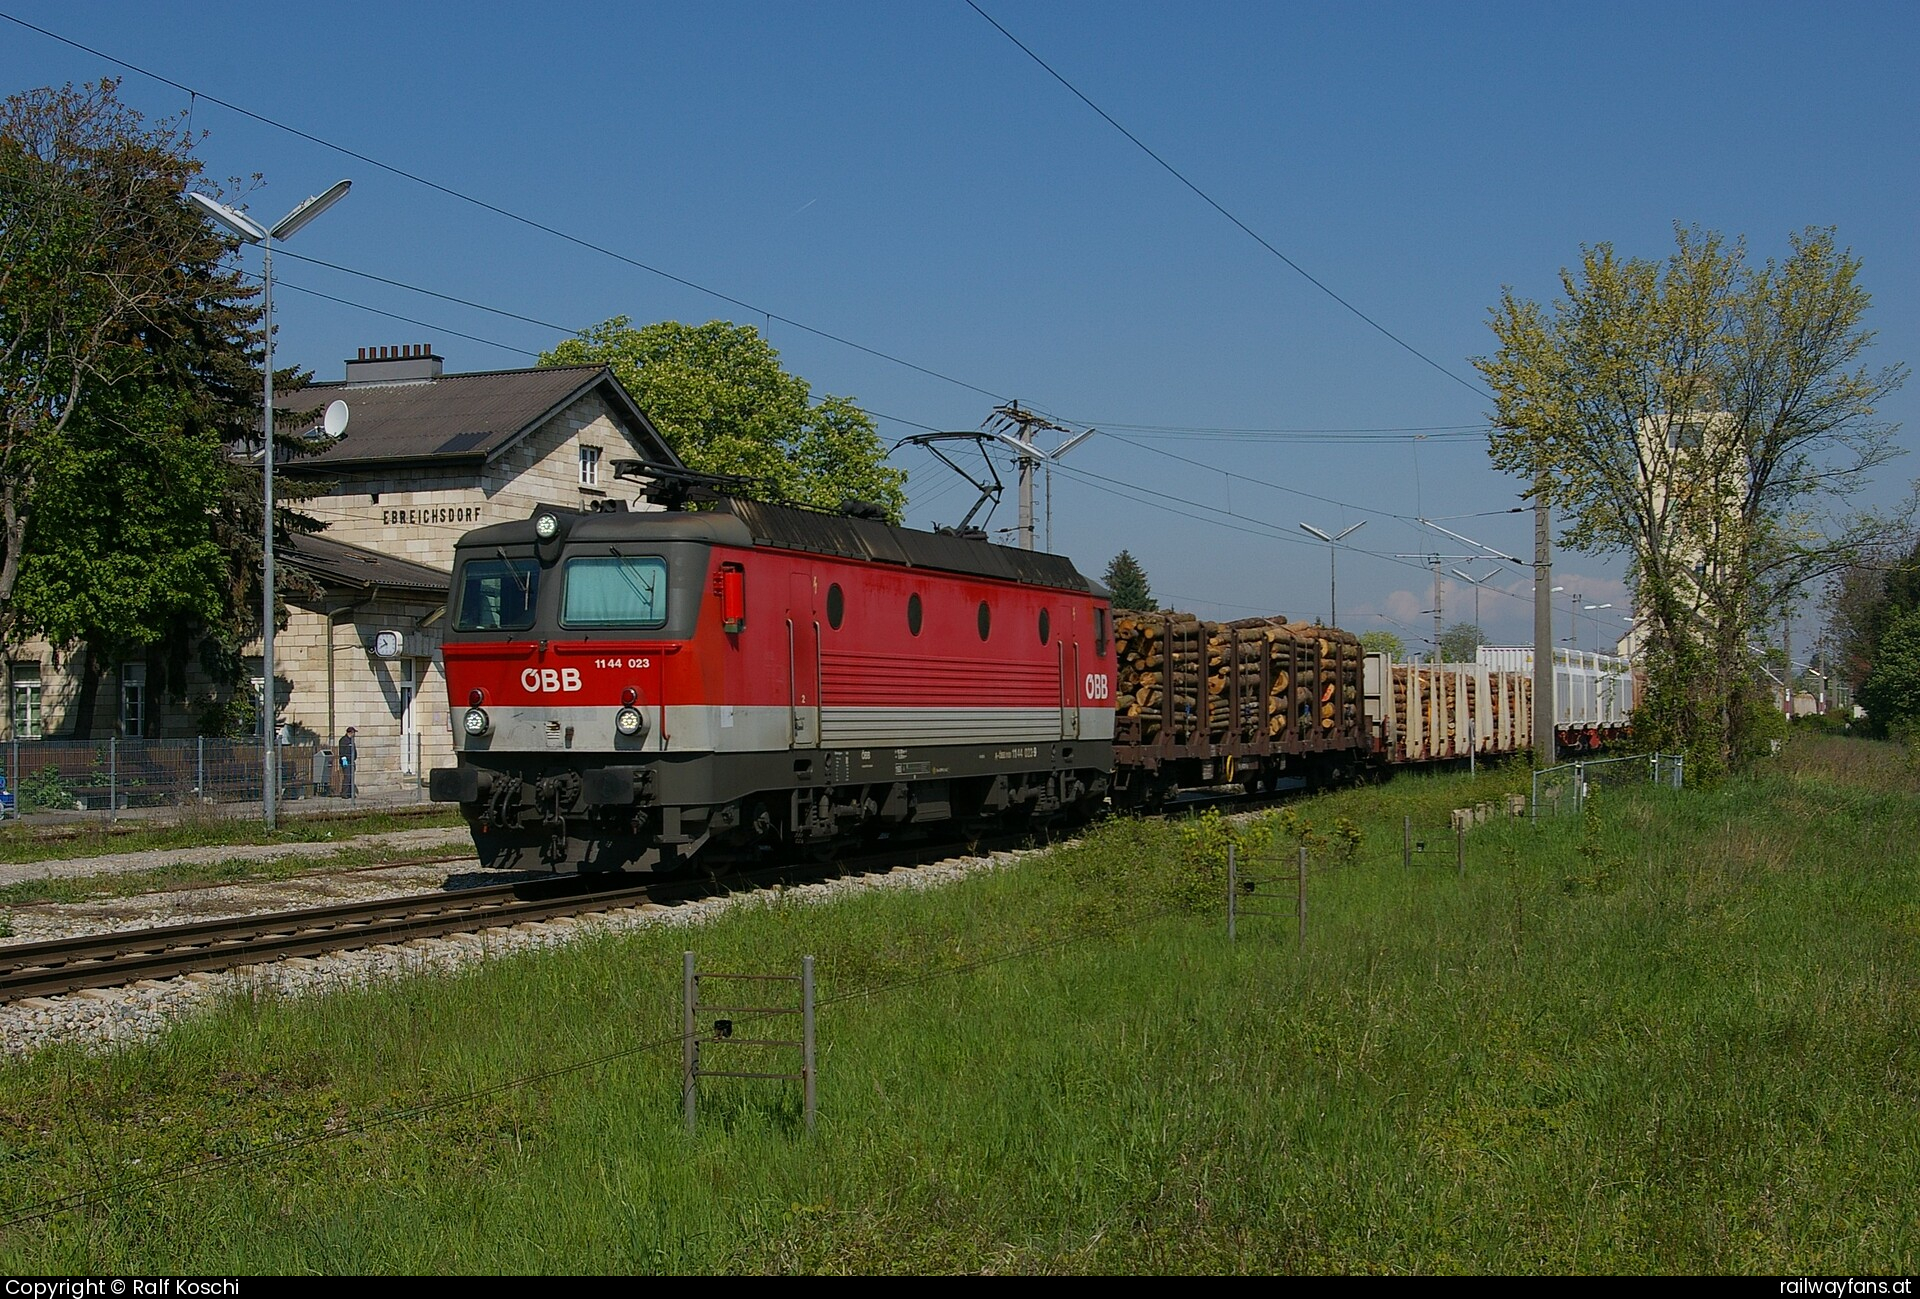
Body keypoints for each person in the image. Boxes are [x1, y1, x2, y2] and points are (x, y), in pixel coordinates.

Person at [339, 726, 358, 798]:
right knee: (347, 777)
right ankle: (344, 793)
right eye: (353, 732)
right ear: (350, 732)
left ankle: (350, 793)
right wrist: (344, 760)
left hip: (352, 761)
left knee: (351, 777)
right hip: (346, 761)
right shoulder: (344, 740)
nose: (354, 734)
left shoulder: (351, 740)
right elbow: (342, 751)